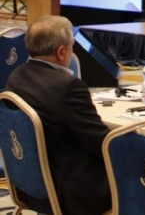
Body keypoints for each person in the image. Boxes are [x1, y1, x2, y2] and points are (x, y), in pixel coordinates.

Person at [4, 16, 112, 215]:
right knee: (138, 167)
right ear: (61, 52)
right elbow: (102, 144)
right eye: (72, 46)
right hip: (71, 192)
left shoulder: (15, 76)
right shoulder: (68, 87)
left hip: (28, 185)